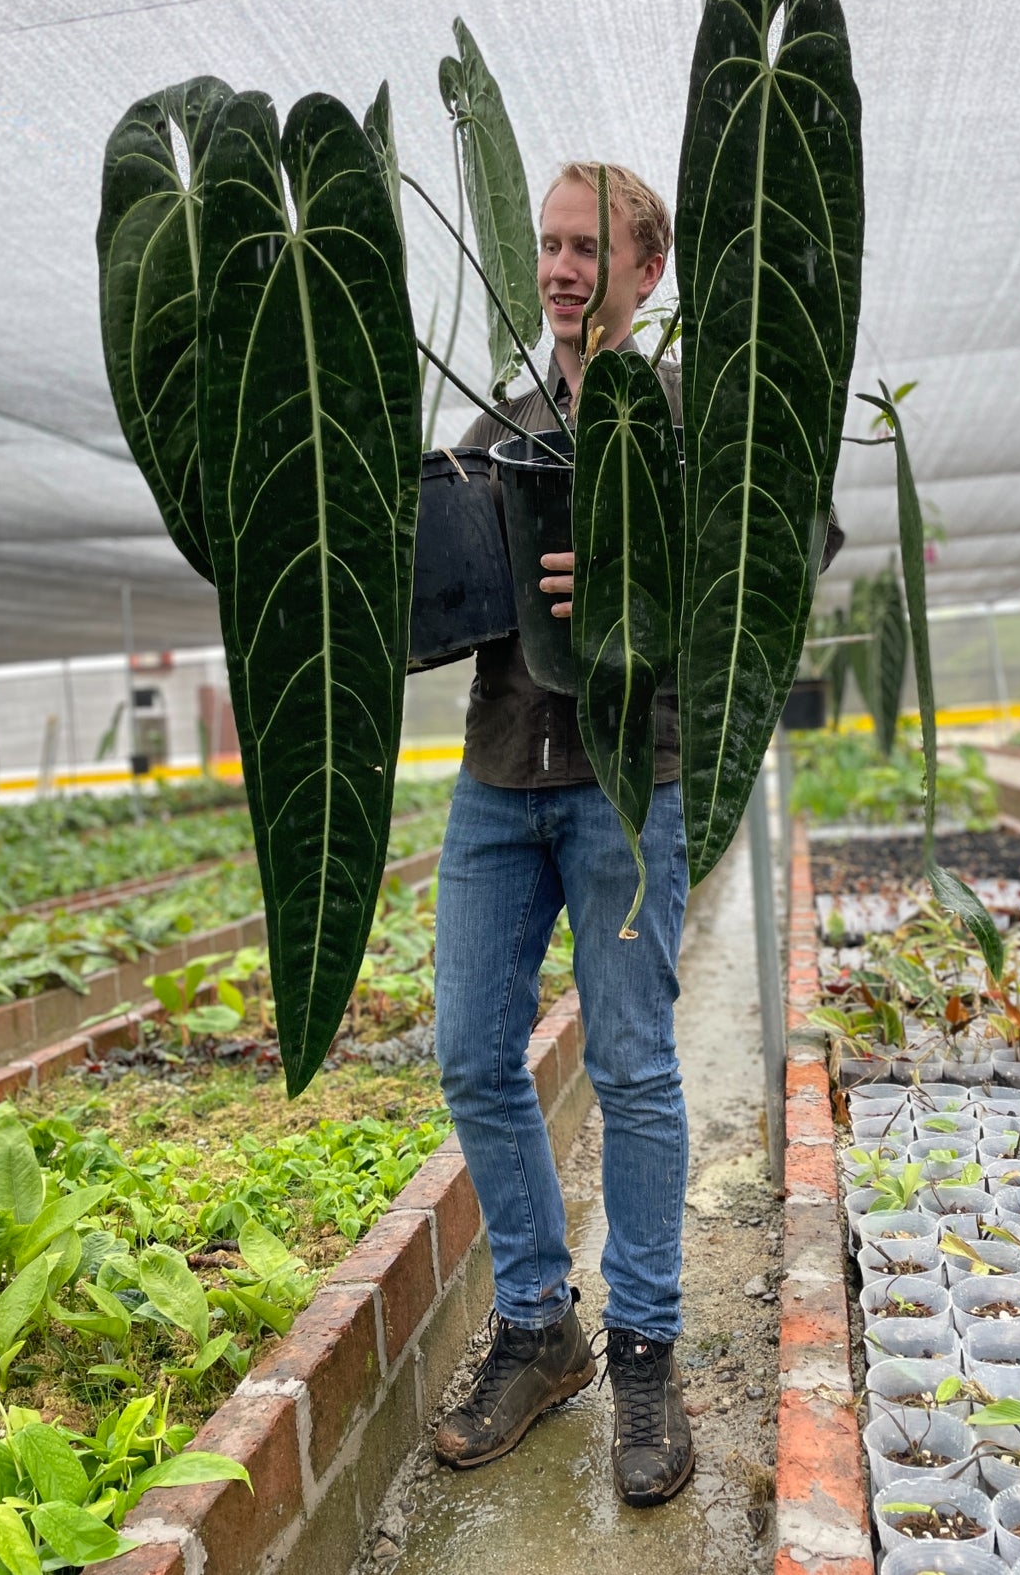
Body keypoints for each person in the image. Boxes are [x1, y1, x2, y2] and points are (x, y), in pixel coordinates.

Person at [431, 161, 696, 1508]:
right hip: (499, 774)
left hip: (624, 781)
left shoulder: (688, 416)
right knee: (473, 1055)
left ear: (647, 269)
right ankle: (541, 1330)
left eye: (588, 246)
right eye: (546, 244)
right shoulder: (506, 424)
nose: (561, 268)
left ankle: (644, 1347)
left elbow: (775, 565)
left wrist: (638, 572)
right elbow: (453, 586)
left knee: (632, 1064)